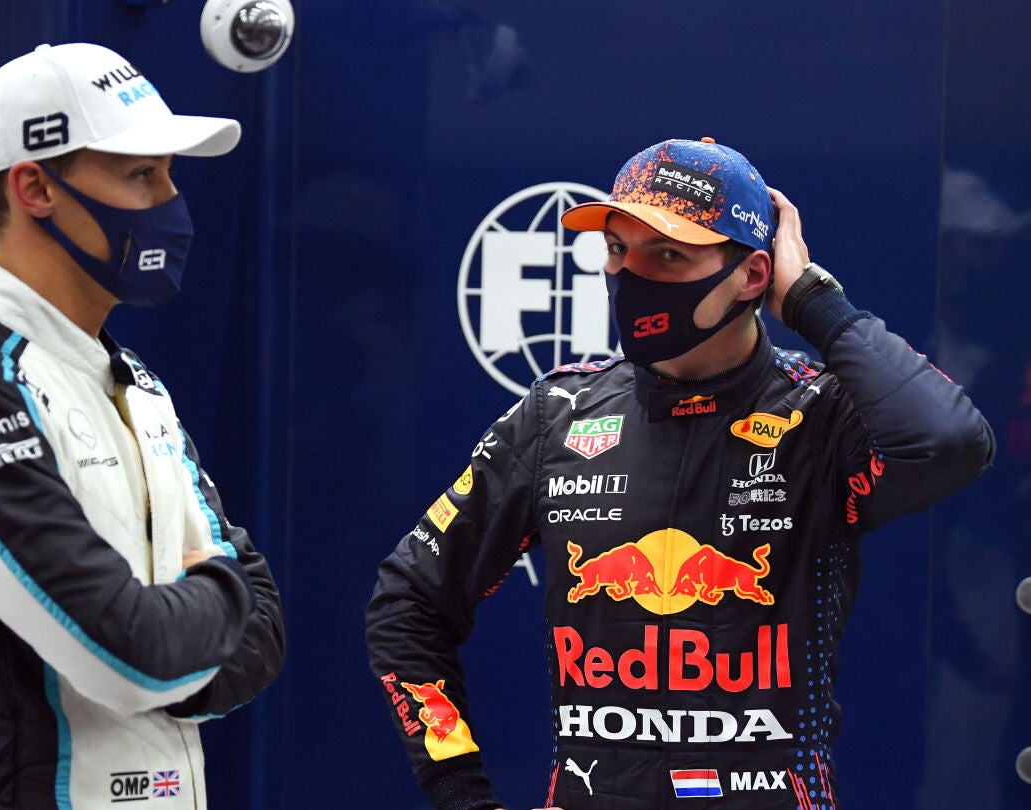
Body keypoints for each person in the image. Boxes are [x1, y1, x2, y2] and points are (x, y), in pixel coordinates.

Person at [365, 137, 994, 810]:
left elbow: (950, 441)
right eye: (617, 249)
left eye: (668, 254)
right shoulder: (557, 416)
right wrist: (462, 795)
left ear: (753, 275)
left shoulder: (821, 414)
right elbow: (408, 603)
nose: (630, 276)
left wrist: (813, 301)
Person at [0, 42, 284, 809]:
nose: (172, 202)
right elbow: (130, 653)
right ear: (34, 187)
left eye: (169, 173)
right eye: (141, 175)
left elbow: (263, 635)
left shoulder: (139, 386)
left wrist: (178, 628)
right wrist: (214, 590)